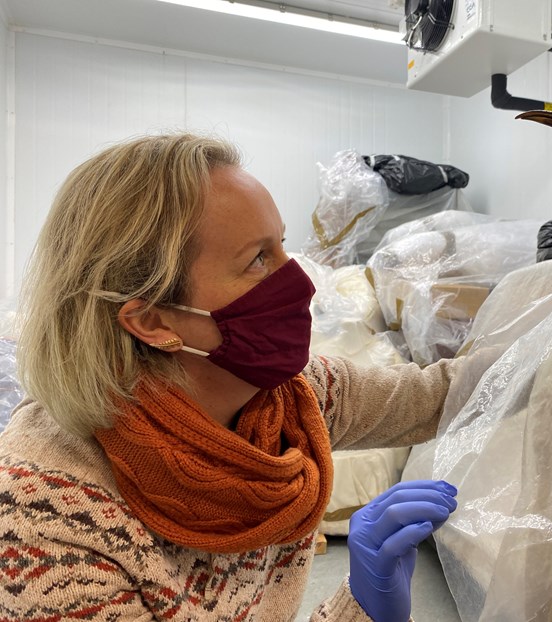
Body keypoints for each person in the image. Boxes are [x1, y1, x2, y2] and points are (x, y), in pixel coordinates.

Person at [0, 134, 463, 621]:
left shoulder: (286, 404)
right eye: (257, 259)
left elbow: (439, 394)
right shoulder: (43, 515)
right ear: (154, 322)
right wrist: (359, 608)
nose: (302, 283)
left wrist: (549, 324)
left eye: (281, 245)